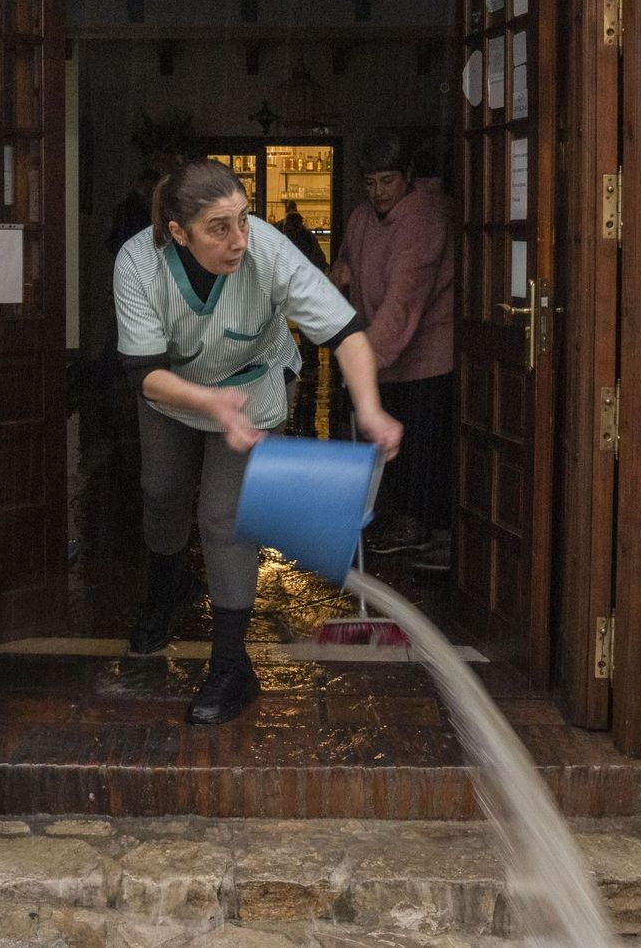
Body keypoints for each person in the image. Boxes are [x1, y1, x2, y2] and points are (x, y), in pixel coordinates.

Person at [114, 158, 403, 725]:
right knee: (163, 493)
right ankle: (169, 588)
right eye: (219, 228)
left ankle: (231, 666)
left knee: (222, 518)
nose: (239, 239)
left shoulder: (267, 250)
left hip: (253, 391)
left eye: (244, 219)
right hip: (171, 392)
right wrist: (208, 402)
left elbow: (344, 333)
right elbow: (141, 372)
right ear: (178, 233)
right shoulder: (137, 263)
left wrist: (370, 409)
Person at [330, 132, 454, 566]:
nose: (379, 192)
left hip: (425, 355)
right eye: (371, 182)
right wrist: (342, 275)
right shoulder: (363, 218)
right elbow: (346, 264)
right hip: (380, 354)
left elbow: (404, 296)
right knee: (387, 447)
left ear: (408, 177)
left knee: (419, 446)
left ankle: (421, 527)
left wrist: (362, 360)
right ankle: (397, 517)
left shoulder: (424, 217)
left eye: (388, 181)